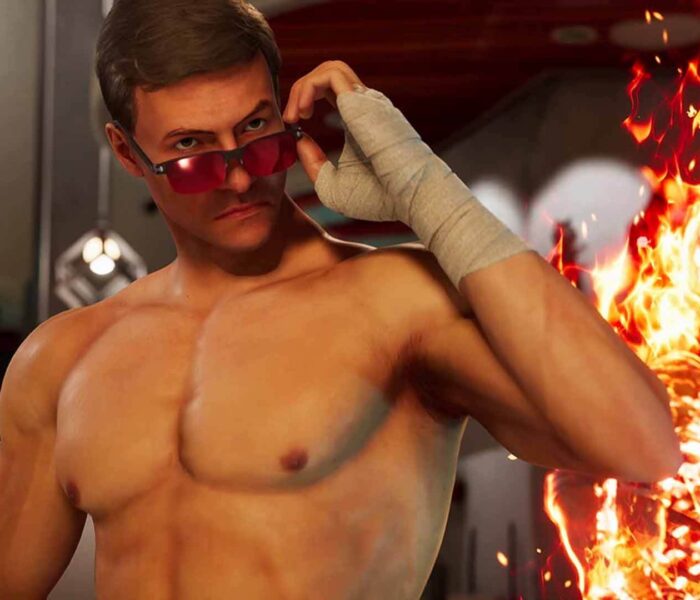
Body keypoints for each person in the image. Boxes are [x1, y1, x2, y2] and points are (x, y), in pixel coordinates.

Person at [0, 1, 682, 598]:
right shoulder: (63, 357)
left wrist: (426, 190)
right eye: (193, 151)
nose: (238, 178)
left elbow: (643, 446)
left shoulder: (393, 302)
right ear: (127, 153)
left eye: (258, 133)